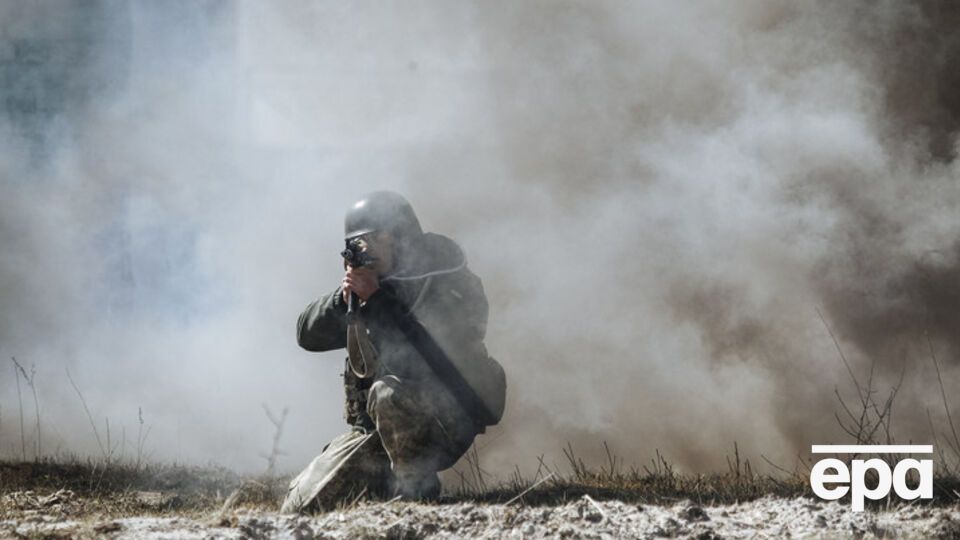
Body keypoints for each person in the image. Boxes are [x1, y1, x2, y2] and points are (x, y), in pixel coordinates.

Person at [281, 191, 506, 513]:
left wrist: (380, 300)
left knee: (389, 393)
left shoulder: (447, 282)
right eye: (358, 243)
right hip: (379, 430)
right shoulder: (369, 288)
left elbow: (436, 351)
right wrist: (344, 298)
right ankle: (385, 484)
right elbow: (307, 336)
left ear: (400, 238)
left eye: (372, 240)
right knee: (301, 507)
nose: (364, 251)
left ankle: (417, 492)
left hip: (446, 416)